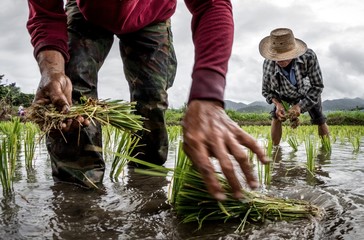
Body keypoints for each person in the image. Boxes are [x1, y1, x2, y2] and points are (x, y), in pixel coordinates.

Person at [26, 0, 269, 201]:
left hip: (153, 14)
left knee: (152, 102)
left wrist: (207, 96)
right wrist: (53, 70)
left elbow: (211, 4)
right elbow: (45, 12)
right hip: (88, 12)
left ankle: (148, 190)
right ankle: (78, 200)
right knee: (68, 99)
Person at [259, 28, 329, 146]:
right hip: (283, 92)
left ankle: (326, 150)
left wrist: (299, 106)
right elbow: (266, 91)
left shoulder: (308, 57)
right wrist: (278, 105)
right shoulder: (268, 64)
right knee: (276, 116)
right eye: (277, 57)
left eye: (285, 56)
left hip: (307, 91)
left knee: (319, 118)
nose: (280, 60)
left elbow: (317, 86)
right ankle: (276, 151)